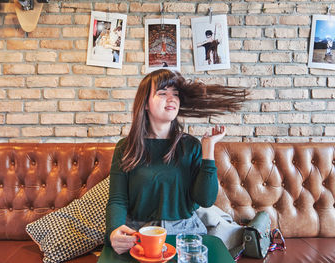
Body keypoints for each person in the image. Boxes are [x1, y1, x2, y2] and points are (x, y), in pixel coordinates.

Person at [105, 69, 247, 255]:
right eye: (163, 93)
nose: (171, 99)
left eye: (176, 94)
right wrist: (114, 231)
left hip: (186, 233)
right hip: (140, 235)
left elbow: (205, 200)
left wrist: (208, 148)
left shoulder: (192, 146)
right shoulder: (126, 147)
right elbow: (117, 199)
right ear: (145, 104)